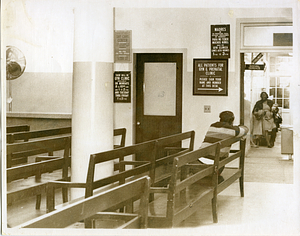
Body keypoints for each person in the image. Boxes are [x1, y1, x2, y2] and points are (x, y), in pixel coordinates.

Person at [198, 110, 249, 183]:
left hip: (200, 160)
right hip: (216, 164)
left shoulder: (212, 126)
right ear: (232, 120)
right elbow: (245, 129)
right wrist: (239, 126)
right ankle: (214, 176)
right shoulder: (233, 131)